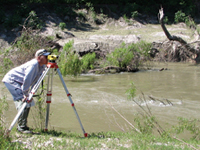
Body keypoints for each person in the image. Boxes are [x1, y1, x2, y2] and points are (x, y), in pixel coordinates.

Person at [2, 49, 50, 133]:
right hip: (12, 81)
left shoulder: (42, 66)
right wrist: (25, 93)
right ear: (39, 57)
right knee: (23, 101)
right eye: (45, 56)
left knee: (28, 102)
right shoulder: (33, 64)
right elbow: (27, 79)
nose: (47, 58)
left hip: (20, 83)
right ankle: (21, 128)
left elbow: (36, 81)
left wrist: (31, 93)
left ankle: (23, 125)